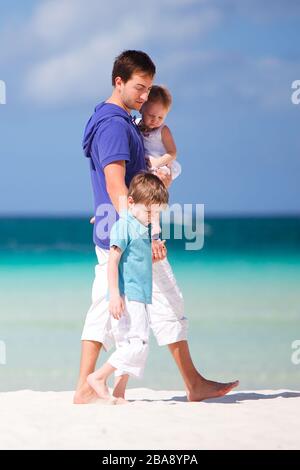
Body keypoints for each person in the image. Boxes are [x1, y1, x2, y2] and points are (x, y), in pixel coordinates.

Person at [73, 49, 239, 404]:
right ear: (119, 81)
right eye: (139, 88)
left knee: (105, 306)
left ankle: (86, 388)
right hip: (132, 233)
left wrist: (109, 208)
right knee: (166, 300)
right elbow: (117, 184)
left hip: (115, 228)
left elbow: (117, 185)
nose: (145, 97)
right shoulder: (116, 126)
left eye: (149, 89)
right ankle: (192, 384)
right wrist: (146, 235)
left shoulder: (111, 120)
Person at [87, 172, 169, 403]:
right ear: (131, 202)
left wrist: (155, 257)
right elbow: (113, 262)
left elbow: (136, 261)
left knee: (127, 344)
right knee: (139, 345)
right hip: (127, 295)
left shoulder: (142, 227)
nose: (152, 218)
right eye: (149, 212)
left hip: (139, 294)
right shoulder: (123, 226)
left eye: (157, 214)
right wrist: (114, 295)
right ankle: (98, 377)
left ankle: (119, 392)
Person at [138, 85, 182, 181]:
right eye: (151, 115)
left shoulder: (162, 130)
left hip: (159, 163)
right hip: (143, 164)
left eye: (160, 117)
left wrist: (157, 163)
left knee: (158, 179)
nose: (155, 120)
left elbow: (172, 152)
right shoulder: (135, 124)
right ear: (141, 108)